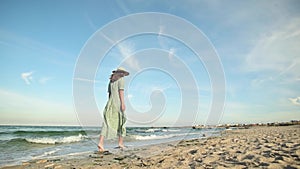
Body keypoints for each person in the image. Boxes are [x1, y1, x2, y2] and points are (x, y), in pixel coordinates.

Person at [98, 67, 129, 152]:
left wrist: (109, 104)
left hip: (110, 103)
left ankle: (101, 142)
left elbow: (109, 94)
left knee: (106, 122)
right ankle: (120, 143)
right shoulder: (121, 80)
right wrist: (122, 103)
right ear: (120, 73)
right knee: (122, 122)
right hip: (117, 103)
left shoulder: (111, 81)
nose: (123, 74)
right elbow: (121, 92)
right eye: (122, 73)